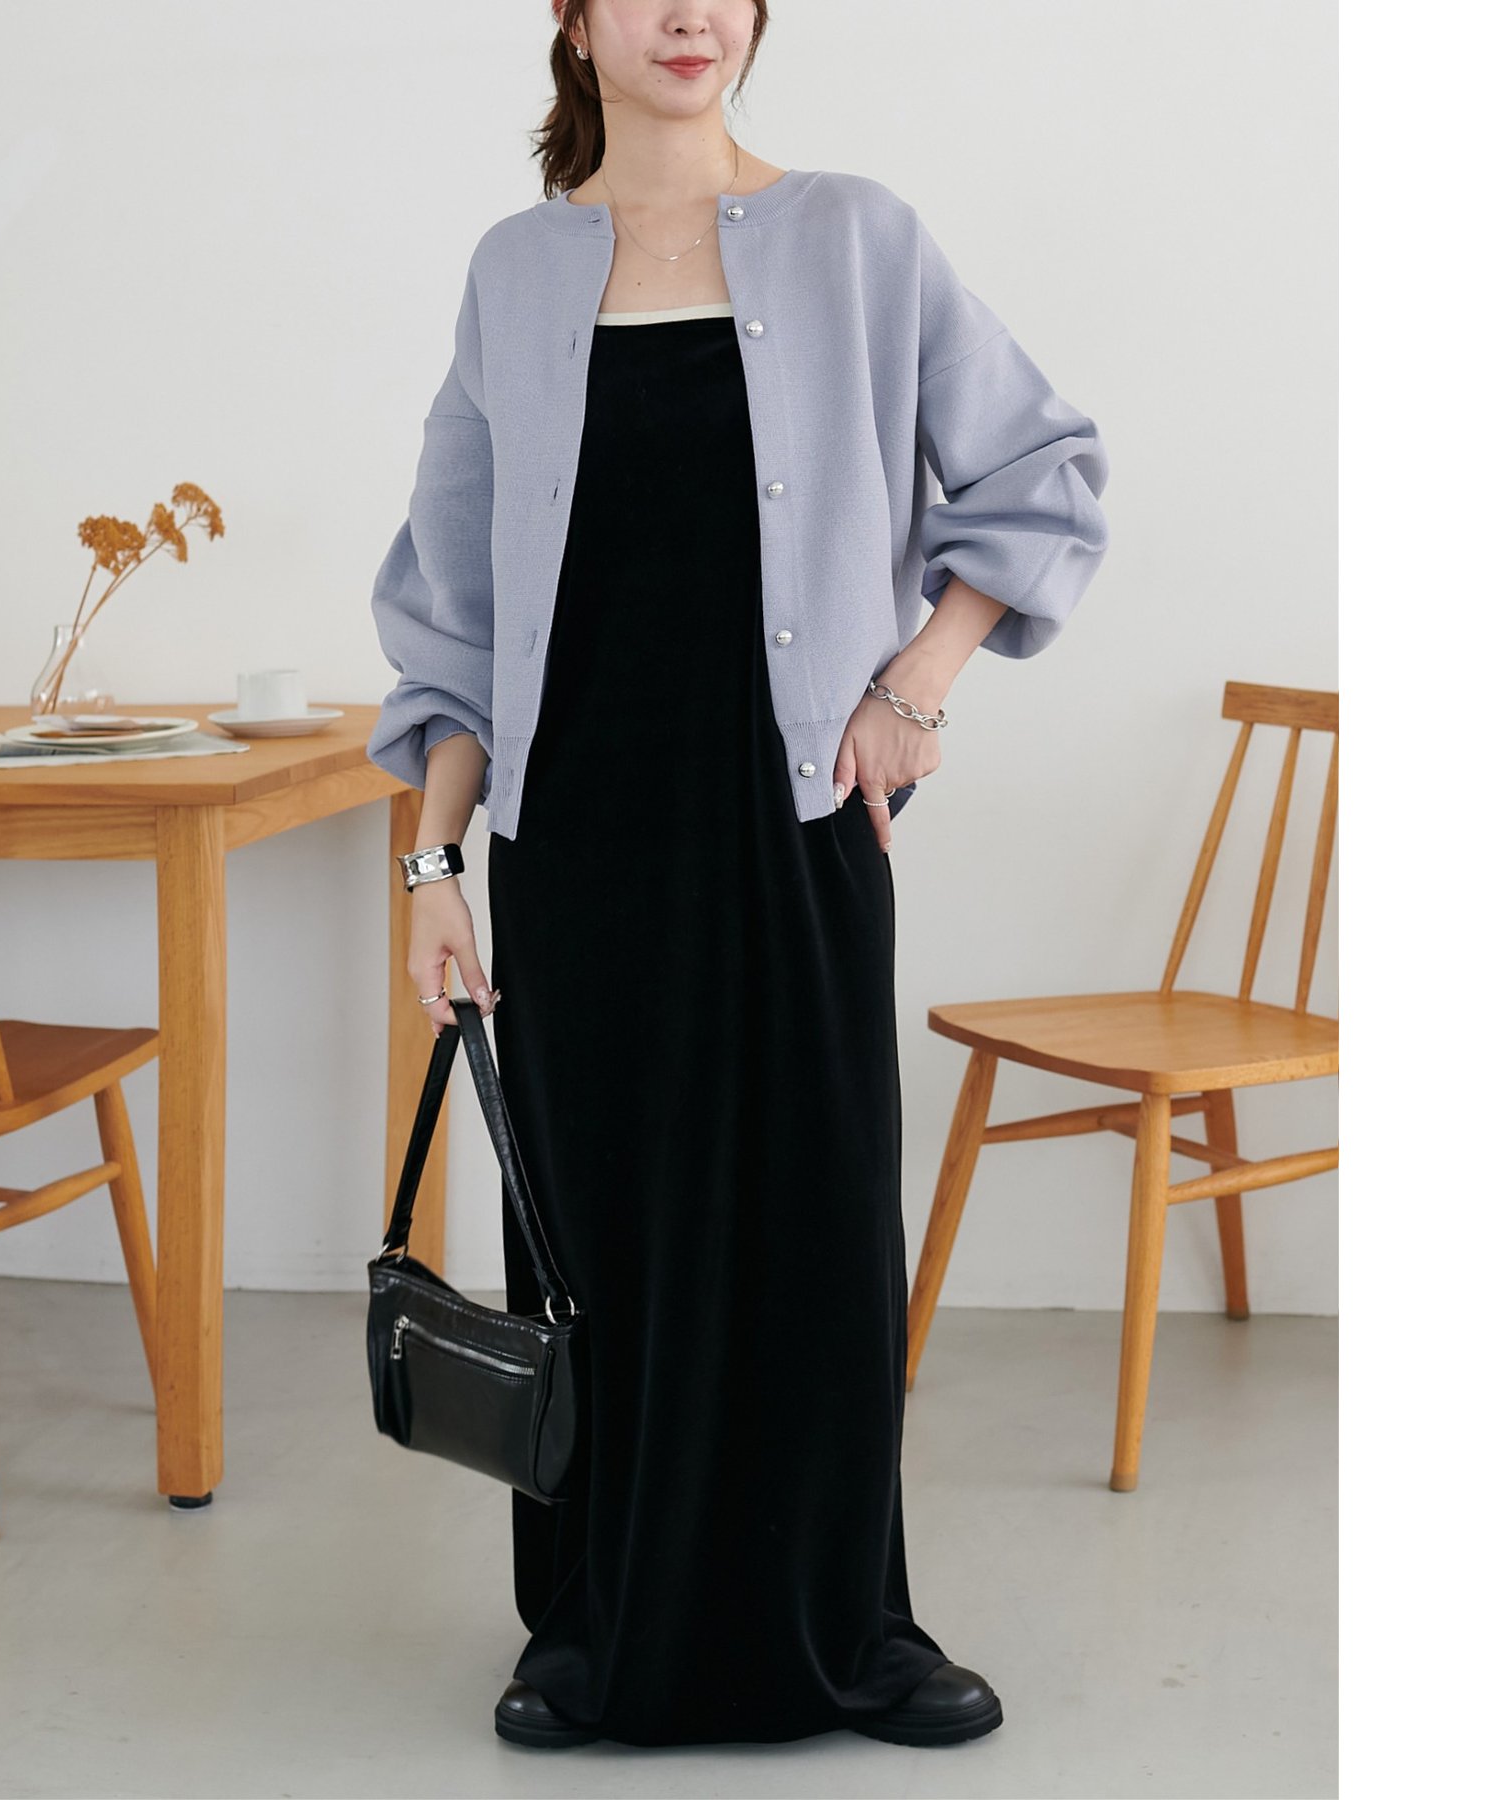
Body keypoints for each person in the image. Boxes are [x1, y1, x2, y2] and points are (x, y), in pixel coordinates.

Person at [365, 0, 1110, 1753]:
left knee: (815, 1228)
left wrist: (915, 687)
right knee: (599, 1241)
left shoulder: (860, 235)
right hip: (575, 853)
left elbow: (1040, 470)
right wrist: (433, 864)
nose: (688, 12)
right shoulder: (514, 273)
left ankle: (854, 1632)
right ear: (574, 23)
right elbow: (455, 617)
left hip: (794, 829)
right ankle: (592, 1634)